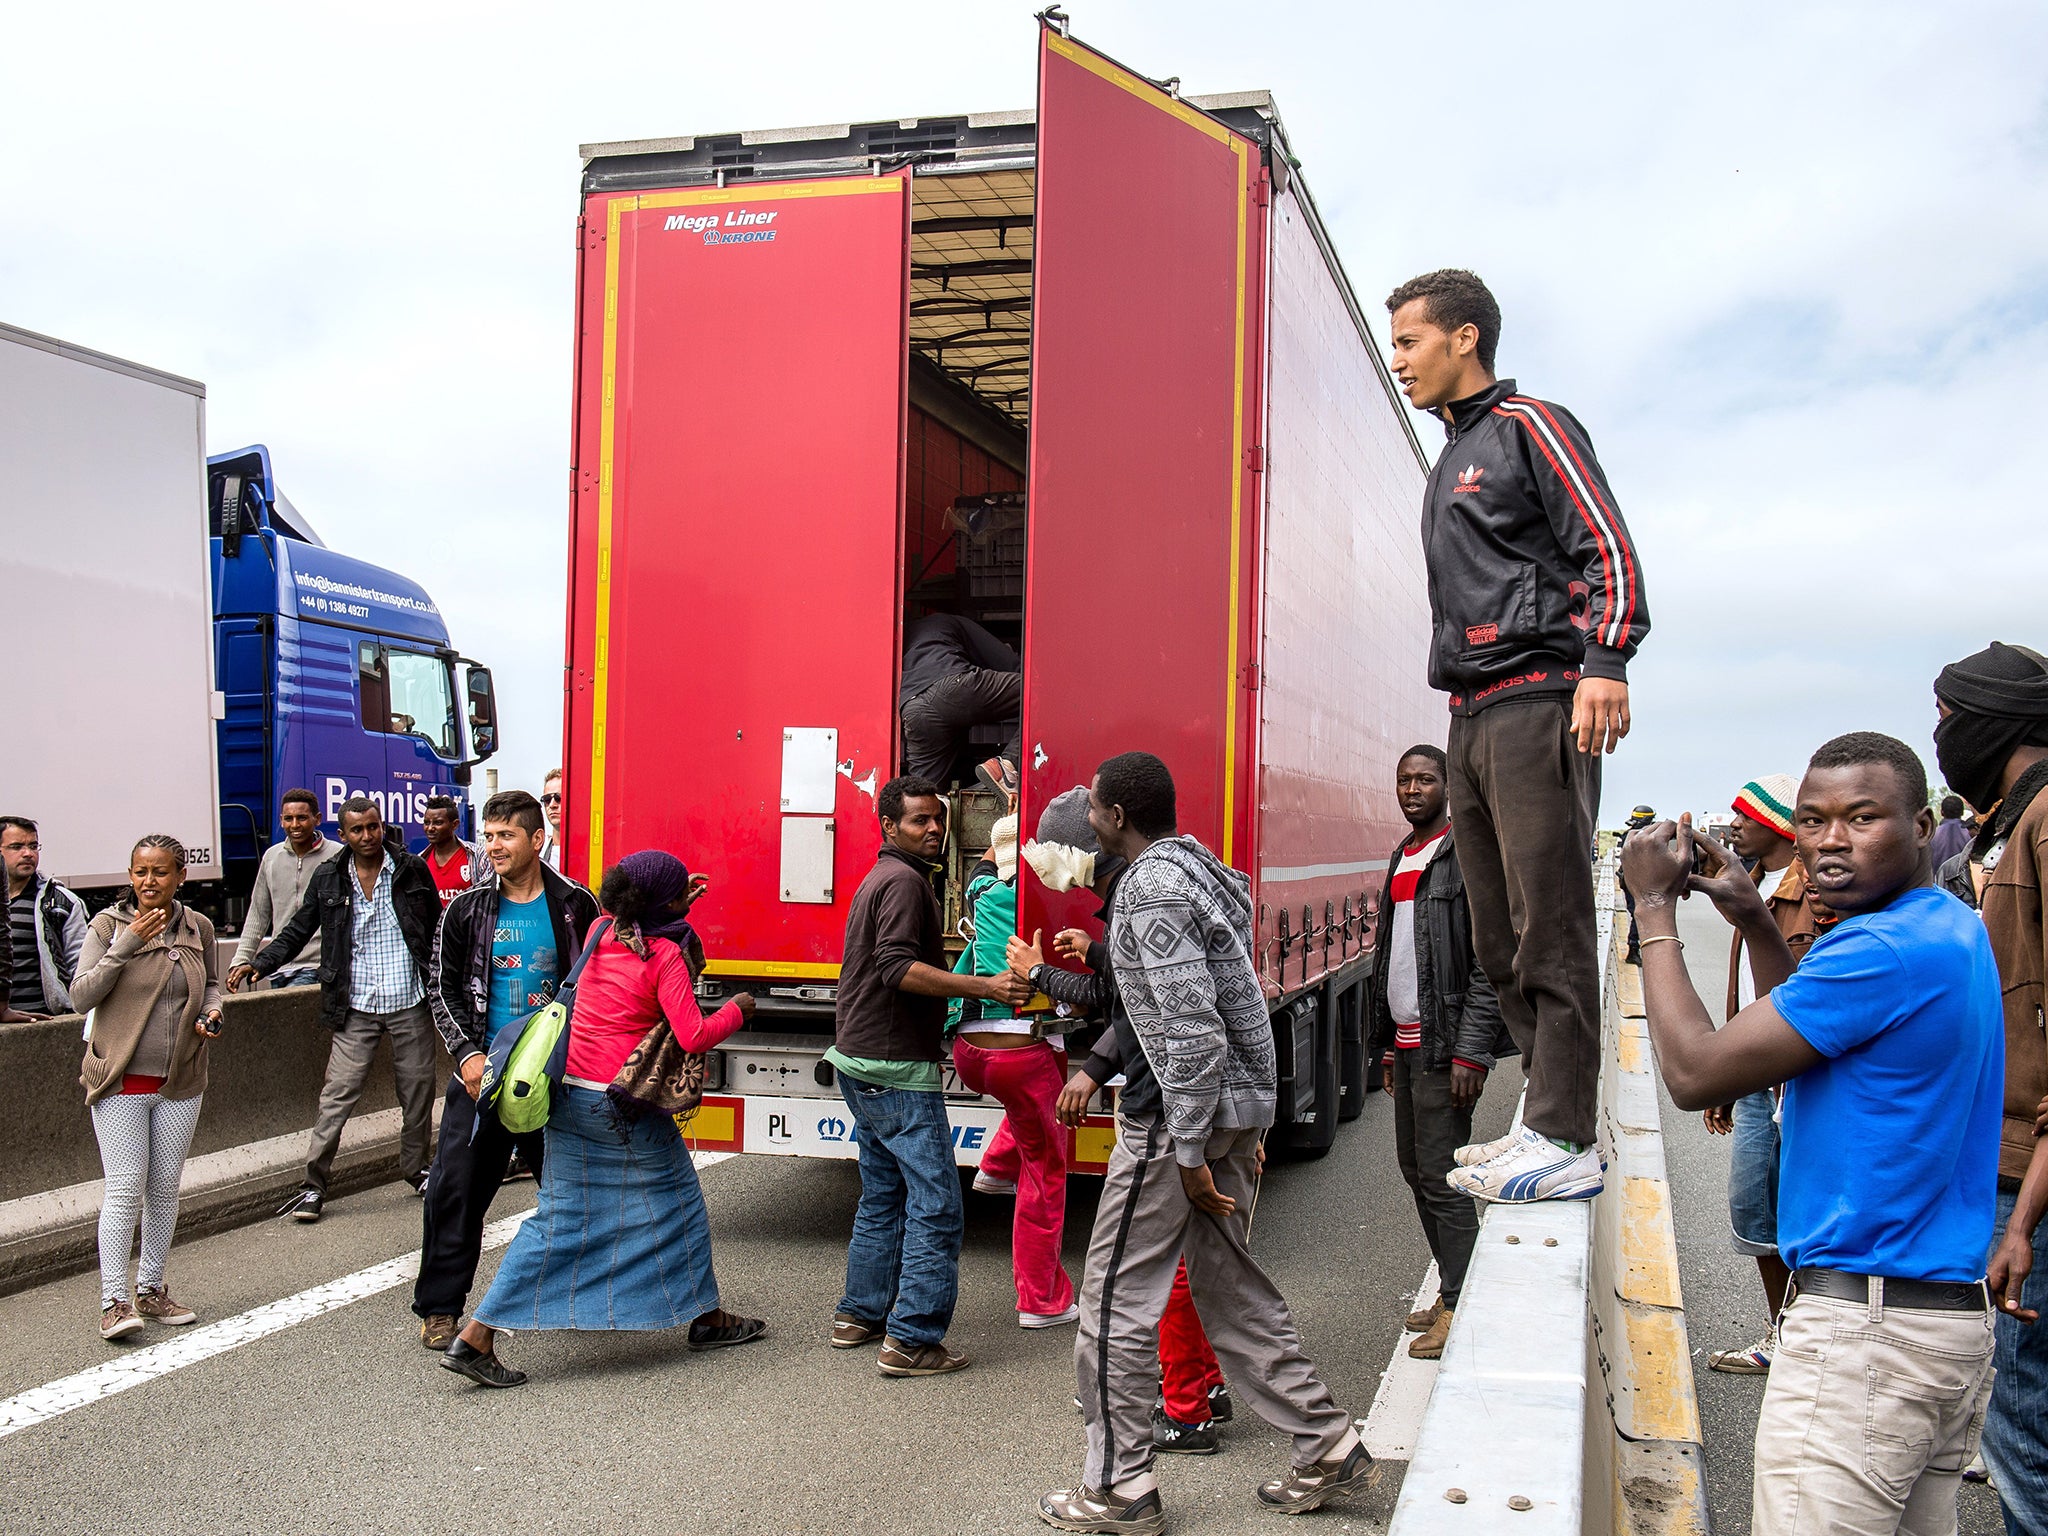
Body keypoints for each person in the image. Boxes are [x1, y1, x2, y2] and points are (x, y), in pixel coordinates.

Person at [1621, 732, 2001, 1535]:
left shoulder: (1878, 949)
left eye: (1863, 818)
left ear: (1926, 823)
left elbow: (1695, 1072)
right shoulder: (1945, 924)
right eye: (1816, 820)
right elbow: (1807, 1033)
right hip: (1941, 1326)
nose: (1831, 840)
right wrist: (1757, 918)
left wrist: (1652, 911)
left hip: (1865, 1340)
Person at [1039, 753, 1368, 1534]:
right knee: (1227, 1287)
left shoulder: (1149, 889)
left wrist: (1186, 1150)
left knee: (1113, 1303)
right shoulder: (1201, 869)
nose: (1087, 819)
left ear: (1118, 816)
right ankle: (1326, 1443)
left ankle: (1120, 1488)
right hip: (1233, 1110)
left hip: (1175, 1123)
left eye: (1092, 807)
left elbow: (1188, 1024)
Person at [1387, 268, 1650, 1204]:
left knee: (1551, 922)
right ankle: (1543, 1117)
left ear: (1464, 338)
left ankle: (1568, 1132)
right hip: (1468, 711)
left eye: (1411, 340)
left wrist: (1606, 661)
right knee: (1498, 938)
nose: (1400, 358)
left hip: (1540, 697)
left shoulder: (1530, 426)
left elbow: (1606, 545)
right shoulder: (1449, 457)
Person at [443, 851, 765, 1387]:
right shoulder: (664, 954)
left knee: (561, 1216)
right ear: (663, 902)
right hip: (619, 1101)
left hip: (566, 1092)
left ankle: (475, 1334)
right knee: (678, 1204)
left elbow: (653, 929)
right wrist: (737, 1010)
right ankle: (706, 1318)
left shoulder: (598, 930)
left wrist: (677, 902)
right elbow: (692, 1036)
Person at [1013, 787, 1234, 1459]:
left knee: (1140, 1269)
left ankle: (1171, 1409)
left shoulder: (1141, 895)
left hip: (1166, 1109)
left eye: (1048, 851)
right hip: (1192, 1106)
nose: (1040, 866)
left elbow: (1144, 1008)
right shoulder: (1164, 882)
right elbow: (1135, 993)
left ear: (1100, 834)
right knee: (1192, 1260)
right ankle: (1202, 1385)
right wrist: (1098, 956)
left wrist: (1043, 974)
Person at [825, 775, 1032, 1377]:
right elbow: (895, 968)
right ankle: (912, 1338)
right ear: (890, 827)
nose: (934, 828)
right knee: (938, 1203)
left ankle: (859, 1315)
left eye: (938, 819)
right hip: (892, 1066)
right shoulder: (907, 883)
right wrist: (983, 986)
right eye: (919, 820)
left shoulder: (883, 878)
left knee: (884, 1192)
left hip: (857, 1059)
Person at [1930, 641, 2048, 1535]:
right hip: (2015, 1166)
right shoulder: (2012, 821)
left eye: (1948, 717)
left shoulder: (2045, 820)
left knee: (2024, 1432)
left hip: (2035, 1180)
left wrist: (2023, 1218)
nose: (1940, 734)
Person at [413, 789, 600, 1351]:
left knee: (571, 1194)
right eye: (489, 835)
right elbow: (440, 988)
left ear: (536, 840)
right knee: (455, 1190)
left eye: (506, 835)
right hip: (482, 1076)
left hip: (554, 1079)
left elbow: (593, 985)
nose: (493, 845)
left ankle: (582, 1298)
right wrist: (468, 1056)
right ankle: (442, 1308)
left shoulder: (575, 905)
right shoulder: (466, 910)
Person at [231, 796, 440, 1222]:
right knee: (336, 1096)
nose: (368, 836)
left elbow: (437, 926)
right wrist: (259, 962)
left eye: (373, 827)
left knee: (417, 1091)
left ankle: (417, 1168)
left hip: (409, 999)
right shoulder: (329, 876)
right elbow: (296, 930)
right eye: (358, 830)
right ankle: (313, 1185)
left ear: (382, 827)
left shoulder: (410, 869)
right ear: (342, 835)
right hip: (355, 1005)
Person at [1365, 745, 1509, 1361]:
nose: (1413, 789)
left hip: (1446, 1044)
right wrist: (1389, 1049)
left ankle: (1463, 1302)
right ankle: (1456, 1292)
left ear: (1448, 786)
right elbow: (1395, 957)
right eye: (1404, 780)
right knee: (1415, 1170)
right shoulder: (1405, 853)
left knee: (1444, 1177)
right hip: (1409, 1043)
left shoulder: (1463, 856)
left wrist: (1472, 1055)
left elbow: (1486, 964)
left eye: (1425, 779)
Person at [1699, 775, 1833, 1377]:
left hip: (1798, 1079)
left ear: (1777, 824)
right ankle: (1784, 1332)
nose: (1734, 827)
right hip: (1756, 1074)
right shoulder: (1751, 884)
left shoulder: (1818, 893)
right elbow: (1750, 993)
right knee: (1754, 1210)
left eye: (1744, 818)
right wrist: (1728, 1077)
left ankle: (1803, 1341)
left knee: (1799, 1214)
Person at [69, 835, 223, 1341]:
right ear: (130, 875)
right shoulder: (108, 926)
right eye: (140, 872)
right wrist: (126, 944)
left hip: (180, 1079)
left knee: (163, 1189)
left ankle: (151, 1289)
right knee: (124, 1187)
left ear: (181, 875)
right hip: (120, 1080)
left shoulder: (196, 926)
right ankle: (114, 1301)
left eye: (160, 872)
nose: (149, 882)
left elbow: (214, 985)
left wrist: (213, 1012)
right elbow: (81, 995)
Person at [947, 811, 1079, 1328]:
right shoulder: (1047, 902)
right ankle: (1041, 1301)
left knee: (1031, 1102)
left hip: (971, 1053)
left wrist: (1006, 814)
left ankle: (997, 1166)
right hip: (1019, 1053)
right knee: (1045, 1175)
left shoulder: (981, 891)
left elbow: (986, 857)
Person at [899, 613, 1022, 796]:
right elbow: (1009, 662)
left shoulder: (898, 637)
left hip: (913, 710)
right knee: (1043, 693)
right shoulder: (948, 621)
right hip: (952, 686)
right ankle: (1006, 766)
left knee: (926, 799)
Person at [228, 789, 339, 991]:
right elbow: (258, 915)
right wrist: (240, 960)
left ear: (318, 819)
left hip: (317, 968)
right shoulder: (271, 857)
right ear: (281, 820)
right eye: (289, 818)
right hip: (278, 968)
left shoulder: (336, 856)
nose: (295, 825)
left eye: (302, 818)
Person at [3, 815, 88, 1016]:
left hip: (45, 1022)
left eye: (33, 846)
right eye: (17, 847)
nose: (28, 854)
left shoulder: (60, 902)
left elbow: (81, 966)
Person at [419, 794, 491, 909]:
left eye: (438, 823)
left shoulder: (479, 857)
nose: (430, 828)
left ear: (455, 824)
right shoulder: (420, 861)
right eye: (427, 823)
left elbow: (487, 901)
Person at [1931, 793, 1973, 870]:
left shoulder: (1932, 835)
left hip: (1937, 881)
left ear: (1942, 812)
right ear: (1962, 812)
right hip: (1963, 880)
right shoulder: (1970, 834)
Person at [540, 769, 564, 871]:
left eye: (559, 798)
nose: (552, 805)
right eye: (547, 799)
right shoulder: (538, 852)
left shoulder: (592, 852)